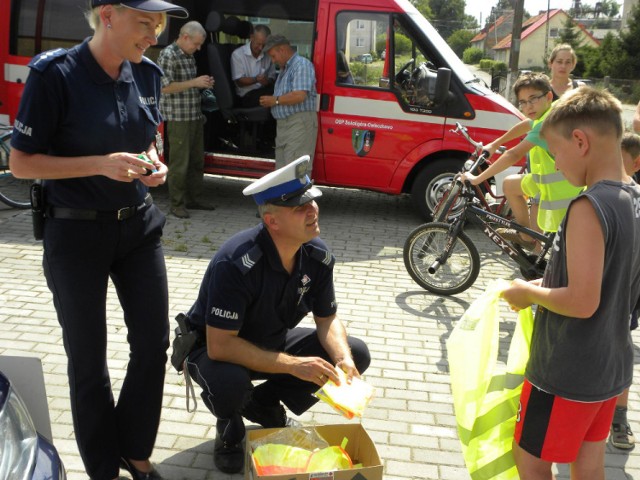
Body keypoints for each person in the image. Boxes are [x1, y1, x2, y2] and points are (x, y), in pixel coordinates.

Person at [8, 0, 187, 479]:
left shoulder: (147, 74)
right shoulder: (55, 75)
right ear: (107, 15)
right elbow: (21, 164)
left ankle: (135, 449)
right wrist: (100, 163)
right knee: (89, 361)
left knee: (152, 345)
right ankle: (103, 468)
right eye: (145, 23)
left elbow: (147, 137)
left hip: (138, 228)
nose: (154, 34)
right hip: (75, 232)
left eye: (159, 25)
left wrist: (154, 163)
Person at [183, 155, 371, 474]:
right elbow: (221, 346)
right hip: (213, 349)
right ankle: (229, 430)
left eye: (313, 201)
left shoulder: (318, 256)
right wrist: (295, 365)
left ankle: (262, 403)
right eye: (300, 206)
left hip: (269, 340)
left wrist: (343, 360)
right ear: (273, 222)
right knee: (230, 384)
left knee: (358, 352)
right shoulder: (237, 263)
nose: (312, 210)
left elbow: (326, 319)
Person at [501, 87, 640, 480]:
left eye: (555, 153)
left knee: (530, 461)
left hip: (567, 369)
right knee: (589, 464)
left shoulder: (587, 206)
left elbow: (582, 301)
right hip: (609, 365)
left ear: (580, 141)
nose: (557, 166)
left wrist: (528, 292)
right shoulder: (633, 197)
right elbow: (610, 276)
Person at [461, 73, 582, 250]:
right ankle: (526, 237)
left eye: (533, 99)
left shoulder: (544, 126)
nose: (528, 106)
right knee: (510, 185)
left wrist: (477, 179)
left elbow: (513, 155)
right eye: (523, 102)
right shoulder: (552, 110)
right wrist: (495, 144)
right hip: (546, 181)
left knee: (541, 239)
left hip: (560, 190)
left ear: (548, 96)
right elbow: (526, 124)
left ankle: (536, 254)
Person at [157, 20, 214, 219]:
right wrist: (194, 82)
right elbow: (164, 87)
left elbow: (186, 85)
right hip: (177, 117)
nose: (198, 49)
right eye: (196, 44)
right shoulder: (168, 54)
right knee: (180, 163)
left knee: (197, 161)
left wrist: (202, 84)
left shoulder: (188, 55)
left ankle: (194, 198)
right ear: (185, 37)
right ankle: (177, 204)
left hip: (194, 115)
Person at [610, 131, 640, 450]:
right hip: (588, 299)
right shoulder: (592, 194)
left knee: (622, 355)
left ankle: (619, 417)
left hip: (625, 300)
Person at [259, 34, 318, 170]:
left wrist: (275, 100)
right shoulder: (286, 68)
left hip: (298, 123)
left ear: (282, 50)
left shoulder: (301, 65)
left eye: (273, 56)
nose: (273, 61)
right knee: (283, 171)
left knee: (295, 171)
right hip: (286, 125)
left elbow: (299, 95)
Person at [231, 24, 276, 107]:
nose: (261, 48)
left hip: (264, 91)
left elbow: (272, 78)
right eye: (258, 44)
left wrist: (267, 81)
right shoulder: (238, 54)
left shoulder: (268, 54)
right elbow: (239, 82)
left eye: (264, 45)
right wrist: (256, 79)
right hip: (247, 96)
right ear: (252, 38)